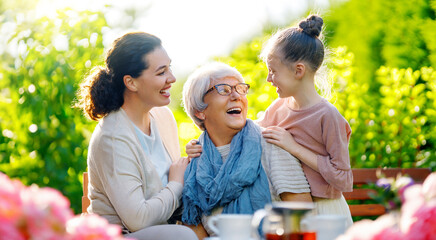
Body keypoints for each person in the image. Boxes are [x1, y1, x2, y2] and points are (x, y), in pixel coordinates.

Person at [75, 32, 197, 240]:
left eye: (170, 67)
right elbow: (137, 220)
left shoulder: (162, 116)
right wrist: (176, 184)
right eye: (161, 72)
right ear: (131, 83)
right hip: (120, 235)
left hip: (162, 227)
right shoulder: (112, 138)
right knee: (183, 236)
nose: (172, 79)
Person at [181, 62, 312, 239]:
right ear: (199, 111)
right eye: (224, 90)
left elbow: (302, 217)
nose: (236, 96)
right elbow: (195, 230)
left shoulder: (270, 144)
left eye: (240, 89)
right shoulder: (193, 164)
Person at [258, 14, 354, 227]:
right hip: (291, 213)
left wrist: (294, 147)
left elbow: (343, 179)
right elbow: (252, 134)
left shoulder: (327, 116)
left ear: (298, 70)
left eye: (273, 71)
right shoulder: (277, 108)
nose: (268, 79)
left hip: (327, 213)